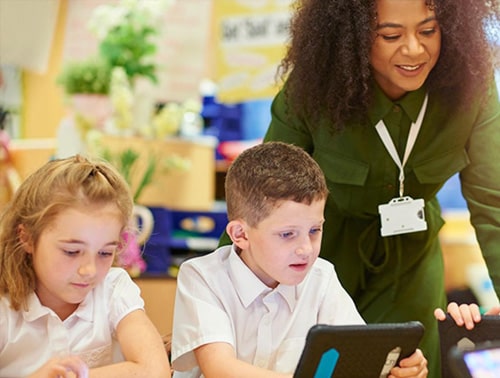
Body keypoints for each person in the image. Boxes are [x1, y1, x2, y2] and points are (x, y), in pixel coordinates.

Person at [219, 0, 500, 376]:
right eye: (390, 35)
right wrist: (216, 300)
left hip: (410, 260)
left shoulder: (472, 89)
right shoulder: (311, 89)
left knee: (409, 369)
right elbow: (260, 197)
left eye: (429, 30)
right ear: (351, 36)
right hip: (315, 257)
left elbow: (493, 204)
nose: (415, 48)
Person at [172, 141, 428, 377]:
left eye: (315, 230)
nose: (306, 248)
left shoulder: (322, 277)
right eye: (287, 234)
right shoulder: (203, 277)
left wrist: (398, 369)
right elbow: (221, 370)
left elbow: (354, 361)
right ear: (240, 234)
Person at [0, 155, 171, 377]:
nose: (89, 270)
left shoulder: (113, 288)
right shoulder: (5, 308)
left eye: (104, 253)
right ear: (27, 238)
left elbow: (155, 371)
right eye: (71, 252)